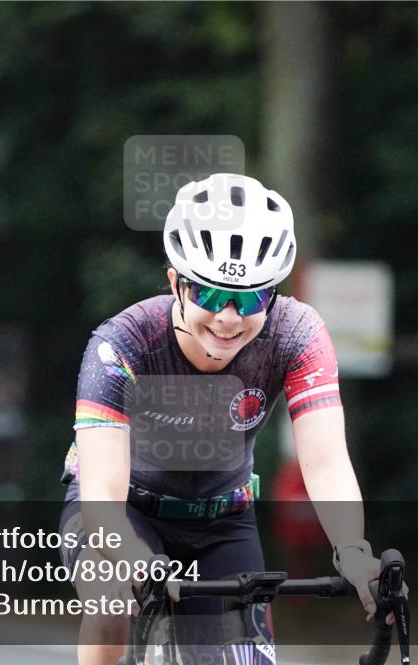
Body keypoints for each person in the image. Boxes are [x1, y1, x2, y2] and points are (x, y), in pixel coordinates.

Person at [59, 173, 399, 665]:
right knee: (112, 599)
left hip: (222, 518)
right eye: (211, 296)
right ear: (176, 282)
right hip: (124, 508)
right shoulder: (121, 345)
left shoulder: (298, 335)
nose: (228, 318)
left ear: (275, 294)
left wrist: (352, 550)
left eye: (251, 298)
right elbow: (102, 504)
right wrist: (140, 564)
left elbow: (324, 463)